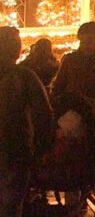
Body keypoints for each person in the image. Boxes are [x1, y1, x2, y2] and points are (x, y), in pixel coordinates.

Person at [0, 27, 54, 217]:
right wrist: (42, 148)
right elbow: (44, 115)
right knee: (10, 205)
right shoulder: (24, 76)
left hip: (15, 151)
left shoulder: (24, 76)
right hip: (16, 150)